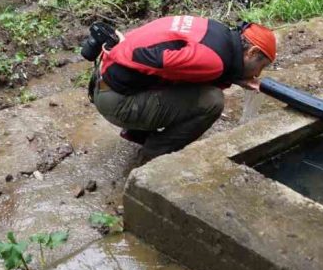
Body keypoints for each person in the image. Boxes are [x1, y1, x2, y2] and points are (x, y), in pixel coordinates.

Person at [89, 15, 277, 164]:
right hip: (116, 100)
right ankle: (153, 156)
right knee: (212, 101)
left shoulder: (216, 31)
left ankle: (138, 132)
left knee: (193, 83)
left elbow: (181, 62)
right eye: (262, 66)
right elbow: (143, 57)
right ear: (251, 52)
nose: (259, 73)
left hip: (107, 82)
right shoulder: (213, 60)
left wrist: (235, 77)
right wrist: (117, 52)